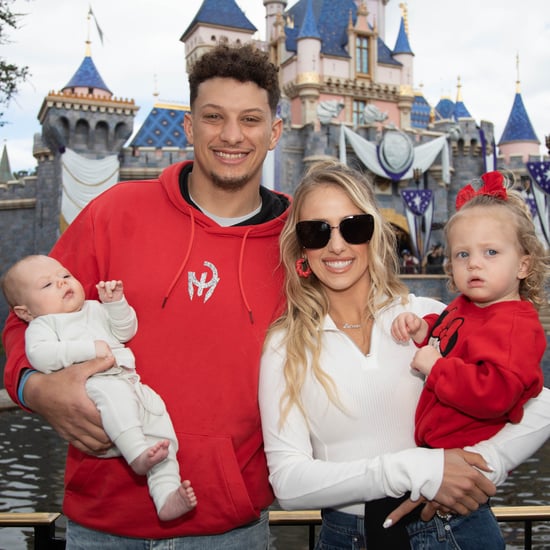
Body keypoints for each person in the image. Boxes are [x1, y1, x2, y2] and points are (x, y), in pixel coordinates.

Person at [2, 43, 289, 548]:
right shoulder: (114, 213)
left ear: (274, 132)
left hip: (229, 527)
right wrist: (35, 390)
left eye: (249, 119)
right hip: (105, 522)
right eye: (213, 117)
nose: (230, 135)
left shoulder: (301, 240)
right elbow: (24, 322)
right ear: (188, 127)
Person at [258, 160, 550, 550]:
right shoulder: (286, 345)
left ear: (373, 234)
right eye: (317, 232)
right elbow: (289, 484)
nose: (337, 245)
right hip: (350, 538)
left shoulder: (425, 316)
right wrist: (420, 470)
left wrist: (473, 470)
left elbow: (539, 403)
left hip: (453, 528)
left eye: (353, 226)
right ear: (301, 247)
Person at [390, 171, 547, 549]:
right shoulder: (467, 307)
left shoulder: (513, 324)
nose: (475, 264)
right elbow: (450, 335)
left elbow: (496, 393)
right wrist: (423, 329)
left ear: (523, 265)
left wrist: (435, 367)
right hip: (436, 470)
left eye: (490, 252)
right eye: (464, 254)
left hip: (458, 506)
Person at [1, 254, 197, 522]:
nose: (61, 283)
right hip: (98, 384)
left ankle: (166, 495)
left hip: (131, 382)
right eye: (47, 285)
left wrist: (116, 305)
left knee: (161, 428)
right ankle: (136, 453)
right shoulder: (42, 325)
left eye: (65, 276)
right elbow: (40, 356)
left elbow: (125, 331)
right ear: (25, 312)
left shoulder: (94, 308)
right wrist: (88, 350)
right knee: (117, 400)